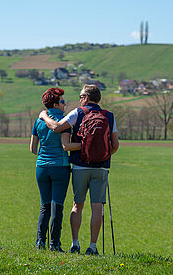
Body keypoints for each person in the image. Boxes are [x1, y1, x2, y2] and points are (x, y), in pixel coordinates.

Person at [39, 84, 119, 255]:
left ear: (87, 97)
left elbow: (56, 127)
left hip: (80, 166)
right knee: (97, 207)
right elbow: (115, 145)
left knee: (77, 205)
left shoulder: (78, 112)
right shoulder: (109, 116)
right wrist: (103, 155)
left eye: (81, 96)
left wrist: (44, 115)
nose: (80, 99)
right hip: (101, 168)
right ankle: (93, 247)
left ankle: (75, 244)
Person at [30, 87, 81, 252]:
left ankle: (40, 243)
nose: (65, 104)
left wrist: (45, 155)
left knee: (44, 205)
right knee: (57, 205)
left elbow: (32, 148)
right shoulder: (64, 121)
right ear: (55, 104)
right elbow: (65, 144)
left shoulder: (39, 121)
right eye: (62, 101)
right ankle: (55, 244)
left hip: (42, 167)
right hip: (60, 167)